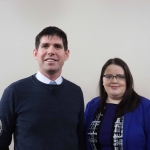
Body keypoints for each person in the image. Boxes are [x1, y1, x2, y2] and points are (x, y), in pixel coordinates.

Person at [0, 26, 86, 150]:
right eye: (45, 46)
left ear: (66, 54)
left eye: (57, 46)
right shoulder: (14, 92)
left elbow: (80, 141)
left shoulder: (76, 93)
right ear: (36, 53)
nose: (51, 51)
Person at [85, 58, 150, 150]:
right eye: (108, 76)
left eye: (120, 76)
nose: (114, 81)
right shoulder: (92, 106)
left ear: (128, 80)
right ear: (102, 81)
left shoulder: (145, 107)